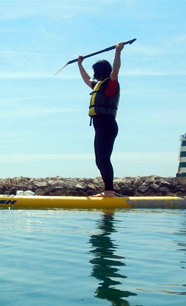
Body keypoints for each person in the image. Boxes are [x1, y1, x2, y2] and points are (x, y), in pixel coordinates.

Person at [78, 42, 124, 197]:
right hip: (102, 126)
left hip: (107, 126)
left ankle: (109, 192)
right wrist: (79, 64)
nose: (93, 75)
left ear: (100, 72)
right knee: (100, 159)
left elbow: (115, 71)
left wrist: (118, 51)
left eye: (95, 72)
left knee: (103, 159)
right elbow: (86, 80)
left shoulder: (111, 84)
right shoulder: (100, 86)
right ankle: (108, 190)